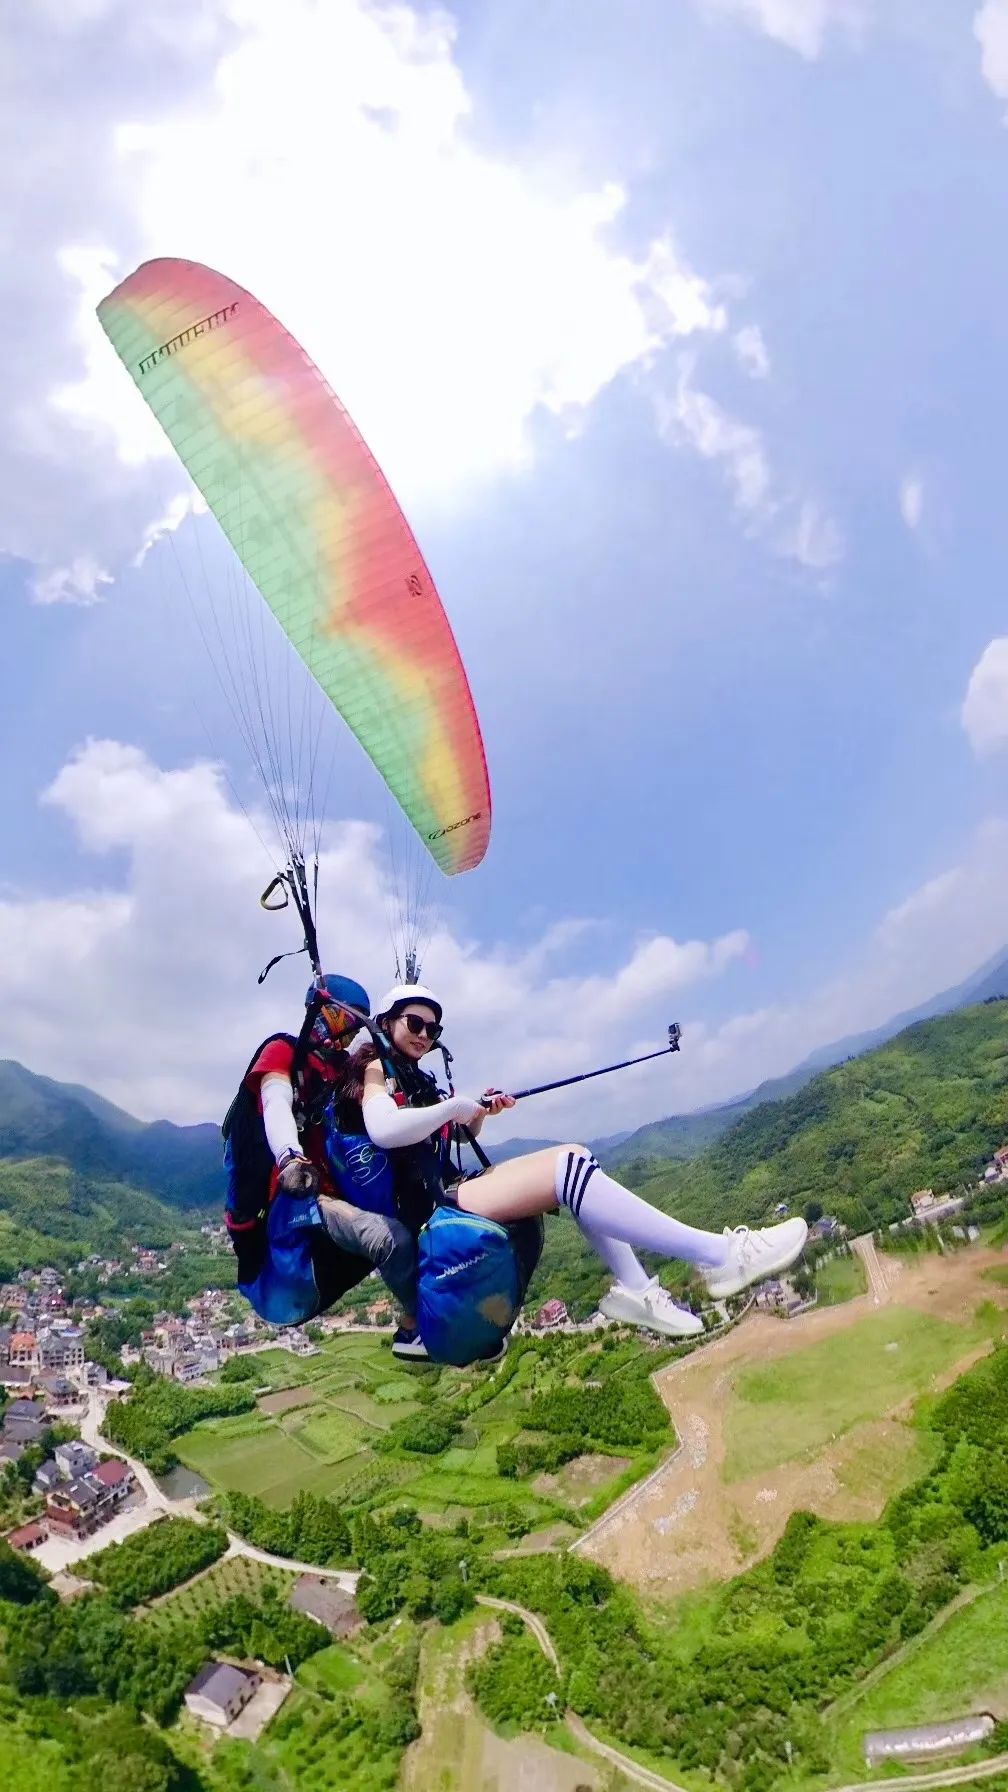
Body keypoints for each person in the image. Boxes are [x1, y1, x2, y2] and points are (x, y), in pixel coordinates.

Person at [342, 985, 809, 1341]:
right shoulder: (374, 1068)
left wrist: (478, 1111)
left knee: (578, 1160)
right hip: (429, 1211)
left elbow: (454, 1131)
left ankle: (636, 1289)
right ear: (385, 1022)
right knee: (566, 1166)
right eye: (415, 1025)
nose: (425, 1036)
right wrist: (452, 1107)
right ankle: (721, 1257)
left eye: (433, 1030)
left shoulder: (416, 1080)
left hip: (450, 1192)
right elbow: (384, 1128)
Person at [246, 972, 425, 1357]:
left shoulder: (344, 1069)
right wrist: (289, 1156)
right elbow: (276, 1102)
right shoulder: (285, 1054)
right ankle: (416, 1326)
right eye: (346, 1020)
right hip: (302, 1199)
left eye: (357, 1023)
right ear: (324, 1013)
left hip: (343, 1185)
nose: (347, 1035)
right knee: (388, 1239)